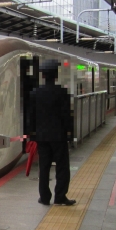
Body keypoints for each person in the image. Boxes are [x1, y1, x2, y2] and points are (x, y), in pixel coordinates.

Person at [29, 59, 76, 206]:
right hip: (59, 136)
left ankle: (44, 197)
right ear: (55, 75)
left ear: (43, 76)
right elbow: (67, 115)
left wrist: (32, 134)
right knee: (62, 167)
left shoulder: (35, 93)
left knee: (44, 167)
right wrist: (70, 133)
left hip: (42, 137)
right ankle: (60, 196)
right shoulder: (61, 92)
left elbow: (32, 116)